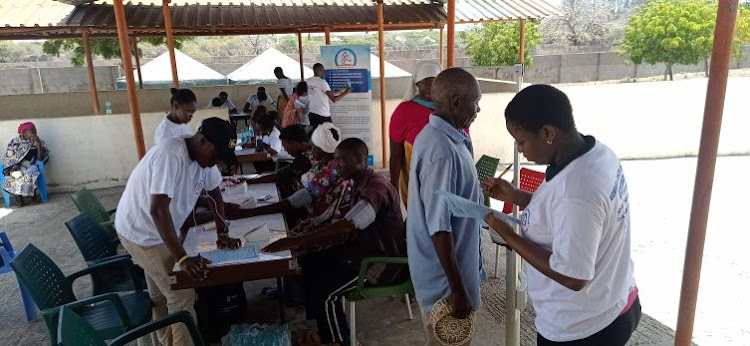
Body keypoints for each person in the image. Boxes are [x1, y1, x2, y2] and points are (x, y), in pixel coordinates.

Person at [483, 85, 640, 345]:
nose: (521, 151)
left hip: (584, 327)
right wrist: (517, 196)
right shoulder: (597, 153)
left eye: (522, 142)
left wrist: (508, 235)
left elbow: (573, 276)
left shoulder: (577, 190)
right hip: (614, 297)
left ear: (547, 133)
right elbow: (566, 217)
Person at [263, 138, 406, 346]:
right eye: (335, 160)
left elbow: (349, 224)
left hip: (378, 263)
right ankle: (326, 331)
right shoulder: (360, 182)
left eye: (341, 161)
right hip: (358, 253)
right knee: (309, 263)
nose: (336, 165)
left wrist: (297, 240)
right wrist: (301, 240)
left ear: (358, 159)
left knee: (326, 293)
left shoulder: (375, 188)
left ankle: (340, 341)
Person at [115, 117, 242, 346]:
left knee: (161, 297)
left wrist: (222, 232)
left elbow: (215, 196)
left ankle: (167, 342)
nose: (216, 163)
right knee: (181, 293)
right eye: (216, 156)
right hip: (142, 232)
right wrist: (182, 258)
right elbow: (157, 210)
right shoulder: (170, 154)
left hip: (159, 229)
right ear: (203, 140)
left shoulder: (206, 162)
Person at [406, 68, 484, 345]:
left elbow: (451, 202)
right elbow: (439, 226)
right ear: (454, 102)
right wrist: (457, 290)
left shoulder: (451, 138)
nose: (478, 110)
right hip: (445, 286)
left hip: (453, 277)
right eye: (475, 102)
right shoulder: (442, 150)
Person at [239, 123, 349, 223]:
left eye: (314, 146)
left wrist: (251, 211)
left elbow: (295, 199)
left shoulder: (325, 169)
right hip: (307, 209)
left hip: (310, 217)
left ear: (321, 148)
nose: (311, 148)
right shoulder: (325, 164)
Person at [389, 61, 442, 207]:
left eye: (435, 81)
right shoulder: (404, 111)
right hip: (416, 187)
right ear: (417, 84)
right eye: (426, 81)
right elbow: (395, 155)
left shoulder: (450, 109)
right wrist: (393, 191)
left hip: (445, 184)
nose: (431, 85)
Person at [2, 122, 48, 206]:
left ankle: (33, 198)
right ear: (24, 133)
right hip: (18, 165)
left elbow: (41, 158)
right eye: (32, 131)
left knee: (31, 173)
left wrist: (38, 144)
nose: (34, 133)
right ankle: (19, 200)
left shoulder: (39, 141)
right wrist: (13, 165)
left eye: (35, 130)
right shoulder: (15, 142)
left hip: (32, 164)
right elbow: (10, 156)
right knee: (15, 174)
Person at [306, 63, 352, 129]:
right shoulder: (322, 82)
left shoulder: (308, 81)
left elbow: (322, 93)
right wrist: (347, 92)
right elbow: (334, 99)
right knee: (330, 136)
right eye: (323, 70)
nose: (324, 72)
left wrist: (340, 91)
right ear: (319, 70)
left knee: (317, 136)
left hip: (312, 113)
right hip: (322, 115)